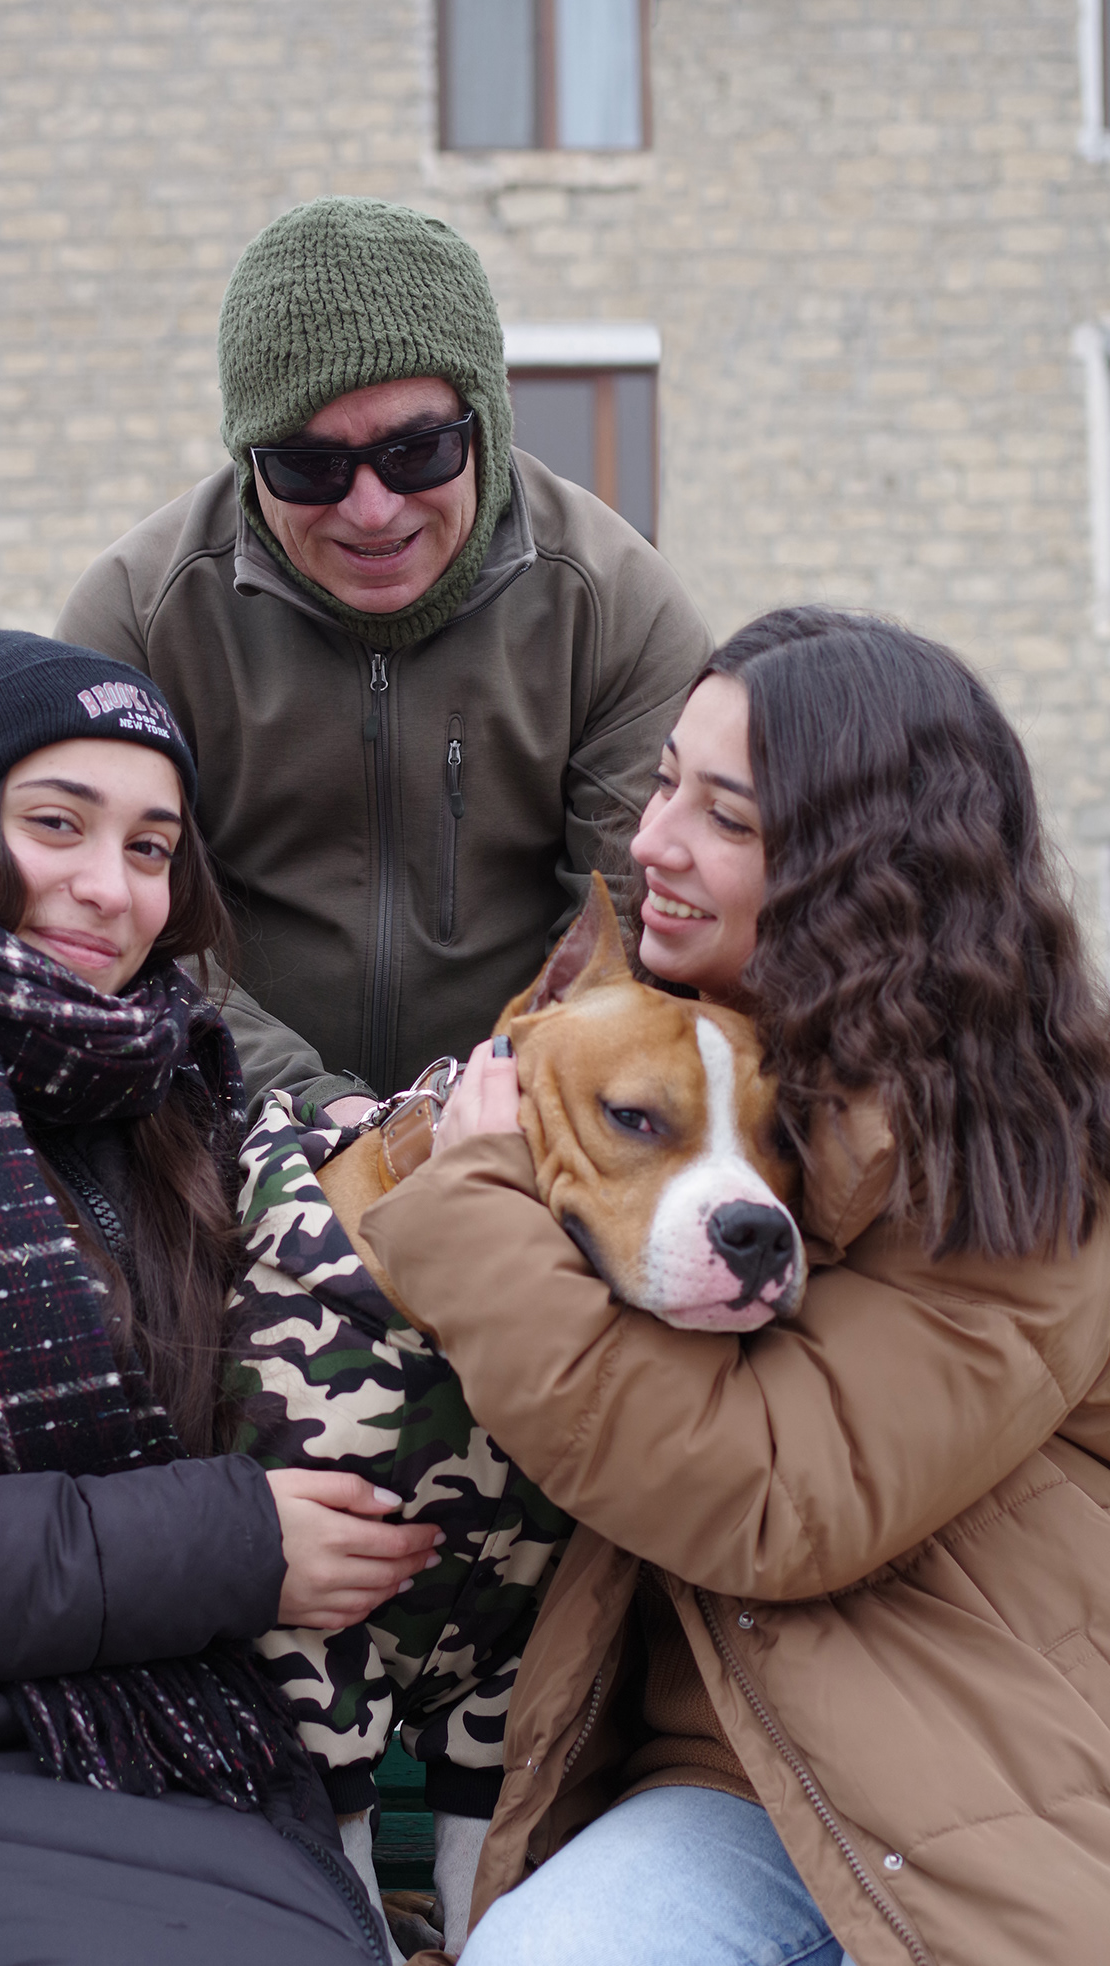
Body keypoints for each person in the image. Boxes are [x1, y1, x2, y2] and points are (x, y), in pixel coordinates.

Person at [358, 608, 1110, 1966]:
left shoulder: (1025, 1156)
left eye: (726, 817)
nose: (651, 842)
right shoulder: (699, 1055)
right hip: (731, 1766)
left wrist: (469, 1209)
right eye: (661, 787)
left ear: (861, 868)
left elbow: (773, 1496)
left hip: (983, 1775)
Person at [0, 629, 448, 1966]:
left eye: (152, 847)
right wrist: (234, 1546)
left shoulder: (173, 1089)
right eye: (57, 823)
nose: (110, 888)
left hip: (165, 1757)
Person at [56, 196, 711, 1126]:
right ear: (247, 462)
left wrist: (476, 1115)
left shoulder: (618, 608)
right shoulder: (136, 618)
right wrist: (320, 1114)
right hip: (215, 1119)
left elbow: (630, 933)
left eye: (419, 451)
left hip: (531, 1122)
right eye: (310, 468)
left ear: (487, 424)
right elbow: (107, 924)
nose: (371, 510)